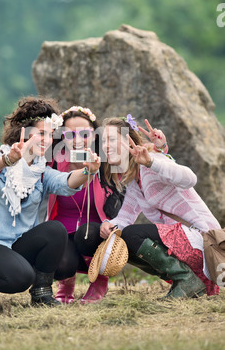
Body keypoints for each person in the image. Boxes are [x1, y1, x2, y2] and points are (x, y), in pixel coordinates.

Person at [0, 96, 101, 310]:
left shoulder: (41, 170)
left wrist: (87, 170)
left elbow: (66, 182)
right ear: (24, 133)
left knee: (54, 229)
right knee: (20, 278)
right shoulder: (1, 157)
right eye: (41, 134)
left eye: (49, 134)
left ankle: (42, 294)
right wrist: (8, 160)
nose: (47, 140)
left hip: (17, 246)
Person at [76, 116, 220, 298]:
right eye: (104, 141)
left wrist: (152, 162)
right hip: (181, 242)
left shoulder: (152, 161)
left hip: (201, 239)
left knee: (131, 235)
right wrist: (108, 225)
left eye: (112, 139)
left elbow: (190, 179)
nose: (106, 146)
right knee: (109, 236)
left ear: (130, 141)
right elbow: (125, 218)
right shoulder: (134, 182)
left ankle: (185, 279)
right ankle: (185, 282)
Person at [48, 108, 166, 304]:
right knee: (61, 264)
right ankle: (65, 285)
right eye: (70, 134)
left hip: (96, 234)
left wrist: (160, 148)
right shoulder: (54, 161)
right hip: (62, 232)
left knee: (88, 234)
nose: (77, 140)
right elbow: (29, 151)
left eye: (84, 134)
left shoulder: (106, 159)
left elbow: (135, 157)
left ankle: (99, 282)